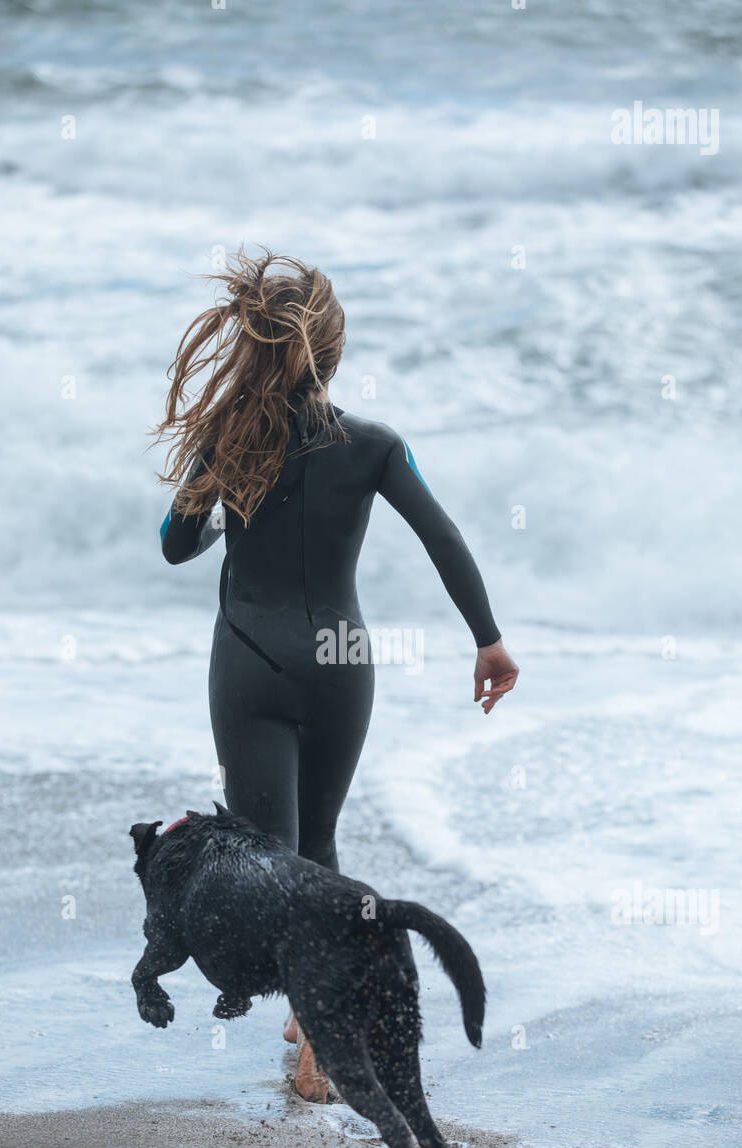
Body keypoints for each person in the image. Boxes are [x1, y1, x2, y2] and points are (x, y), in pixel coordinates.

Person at [155, 249, 518, 1100]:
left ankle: (310, 1023)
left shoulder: (227, 436)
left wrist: (221, 529)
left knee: (269, 857)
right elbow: (443, 538)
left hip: (249, 657)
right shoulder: (376, 445)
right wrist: (488, 641)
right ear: (334, 350)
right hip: (344, 663)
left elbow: (175, 545)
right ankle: (318, 1029)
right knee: (316, 846)